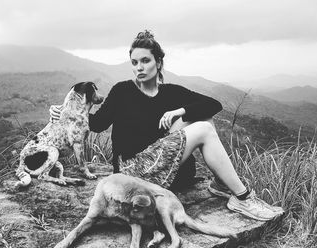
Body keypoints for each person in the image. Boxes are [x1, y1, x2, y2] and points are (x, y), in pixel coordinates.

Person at [50, 30, 283, 221]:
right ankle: (243, 199)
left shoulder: (172, 93)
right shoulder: (122, 91)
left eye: (145, 61)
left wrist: (180, 111)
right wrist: (66, 113)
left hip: (166, 168)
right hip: (134, 171)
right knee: (203, 128)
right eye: (134, 62)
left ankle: (222, 184)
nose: (139, 67)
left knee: (203, 118)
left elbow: (214, 103)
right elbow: (97, 124)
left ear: (158, 62)